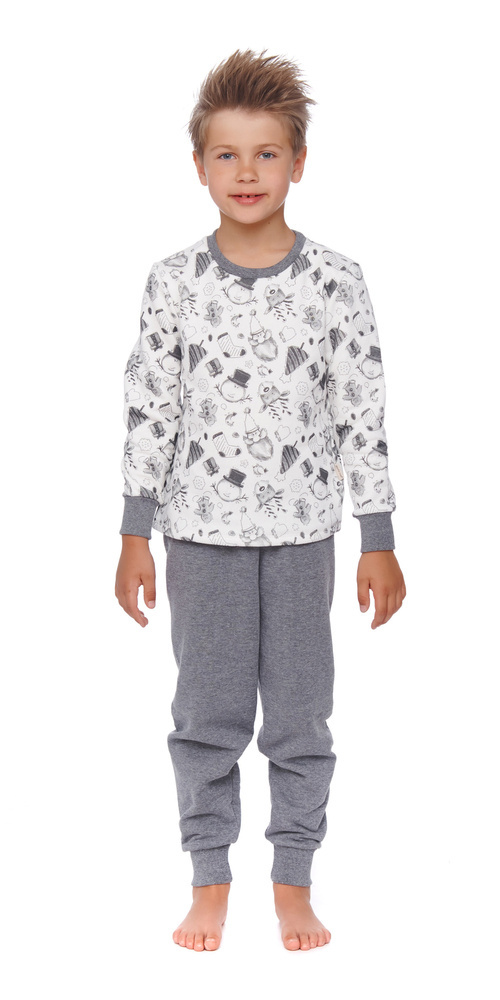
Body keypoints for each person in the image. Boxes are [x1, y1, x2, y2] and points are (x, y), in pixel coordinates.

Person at [115, 47, 406, 953]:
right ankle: (208, 877)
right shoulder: (173, 282)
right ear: (199, 166)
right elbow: (150, 408)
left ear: (299, 162)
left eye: (267, 153)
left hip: (304, 539)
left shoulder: (337, 282)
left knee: (300, 715)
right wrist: (134, 532)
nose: (247, 172)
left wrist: (378, 533)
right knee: (205, 716)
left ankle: (293, 878)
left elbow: (362, 409)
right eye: (228, 154)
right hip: (198, 539)